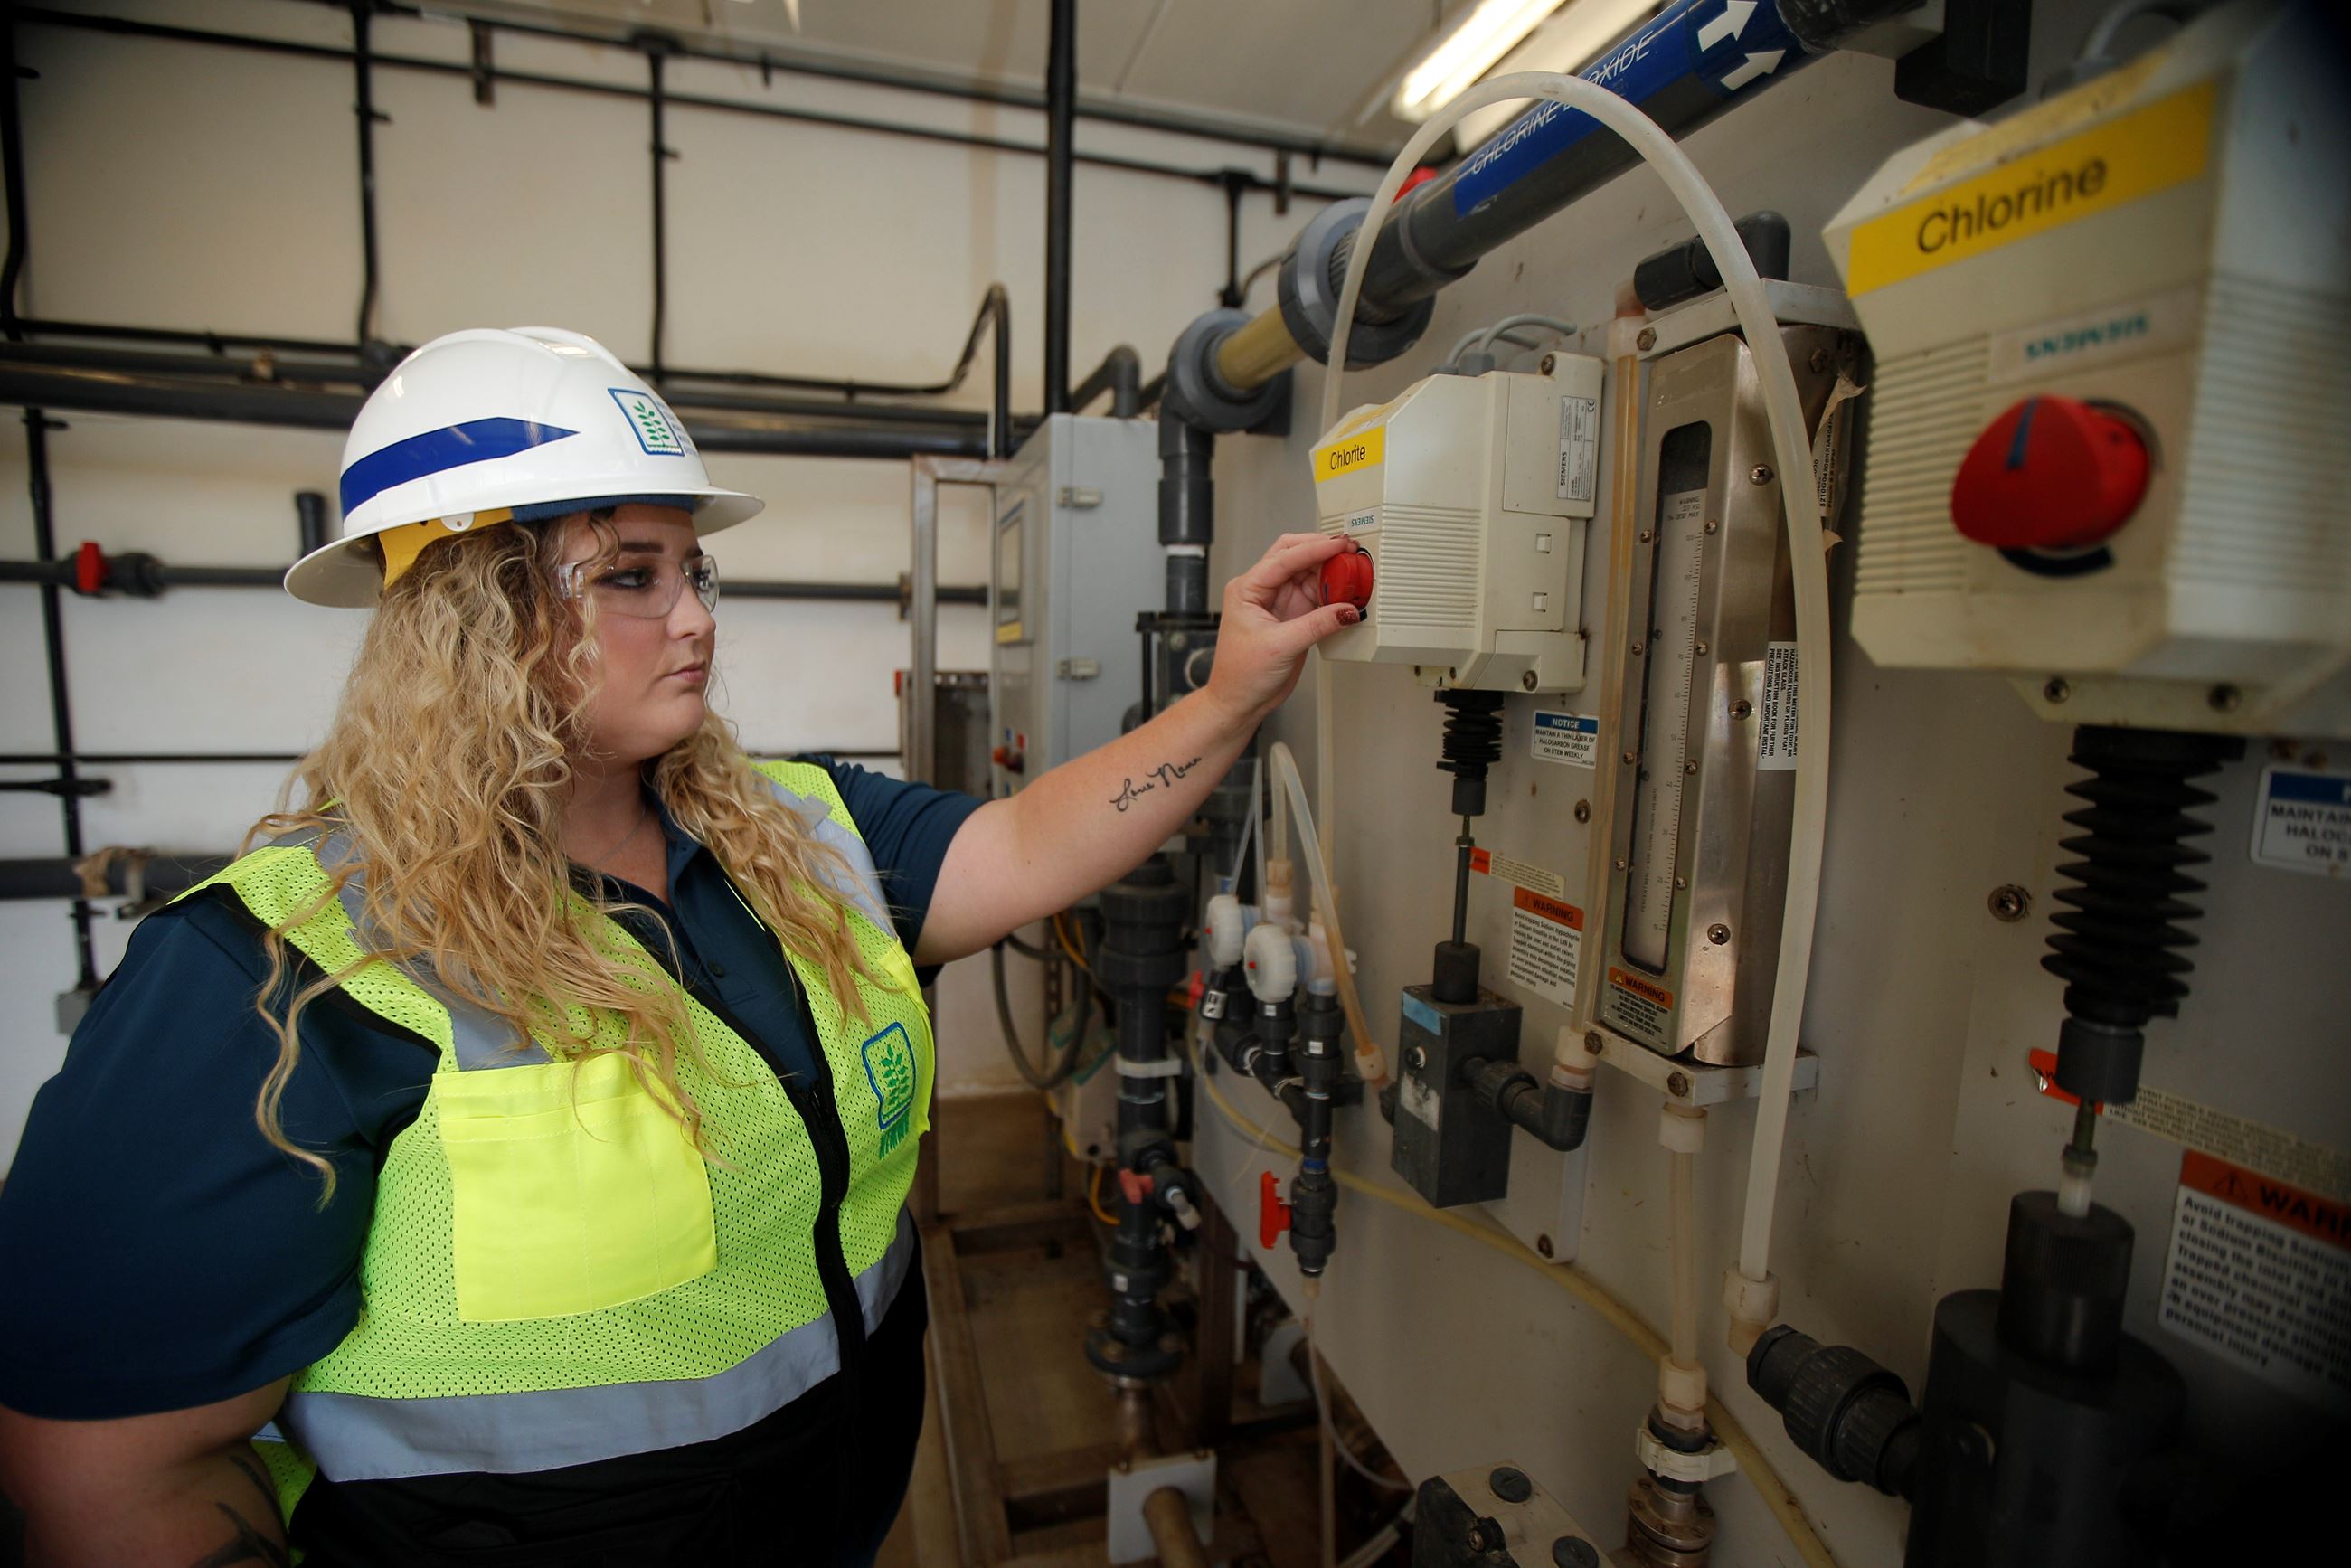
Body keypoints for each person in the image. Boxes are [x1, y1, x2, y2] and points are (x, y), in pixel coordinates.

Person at [0, 326, 1357, 1566]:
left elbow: (1023, 844)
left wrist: (1232, 694)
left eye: (692, 570)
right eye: (631, 577)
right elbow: (107, 1473)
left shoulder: (798, 830)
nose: (698, 615)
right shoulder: (267, 973)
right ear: (473, 619)